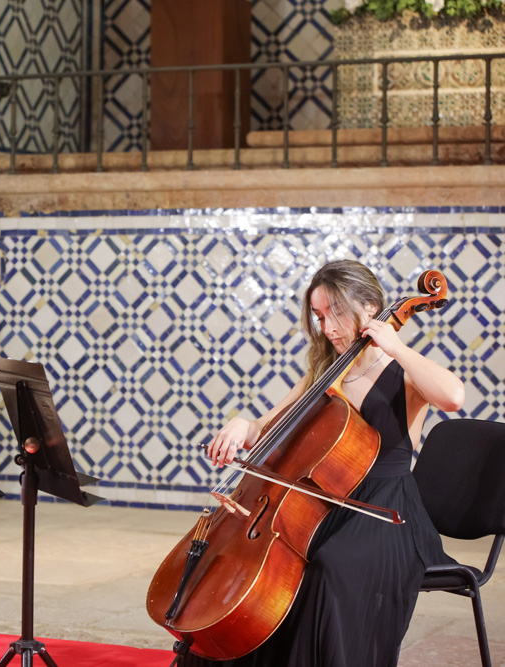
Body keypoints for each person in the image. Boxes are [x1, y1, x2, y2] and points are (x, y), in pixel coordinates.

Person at [185, 259, 465, 667]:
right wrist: (243, 424)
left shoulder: (404, 372)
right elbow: (267, 426)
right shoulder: (324, 371)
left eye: (334, 312)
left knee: (327, 568)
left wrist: (397, 347)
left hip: (386, 513)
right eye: (318, 316)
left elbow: (453, 397)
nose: (327, 327)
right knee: (263, 571)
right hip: (323, 504)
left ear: (369, 307)